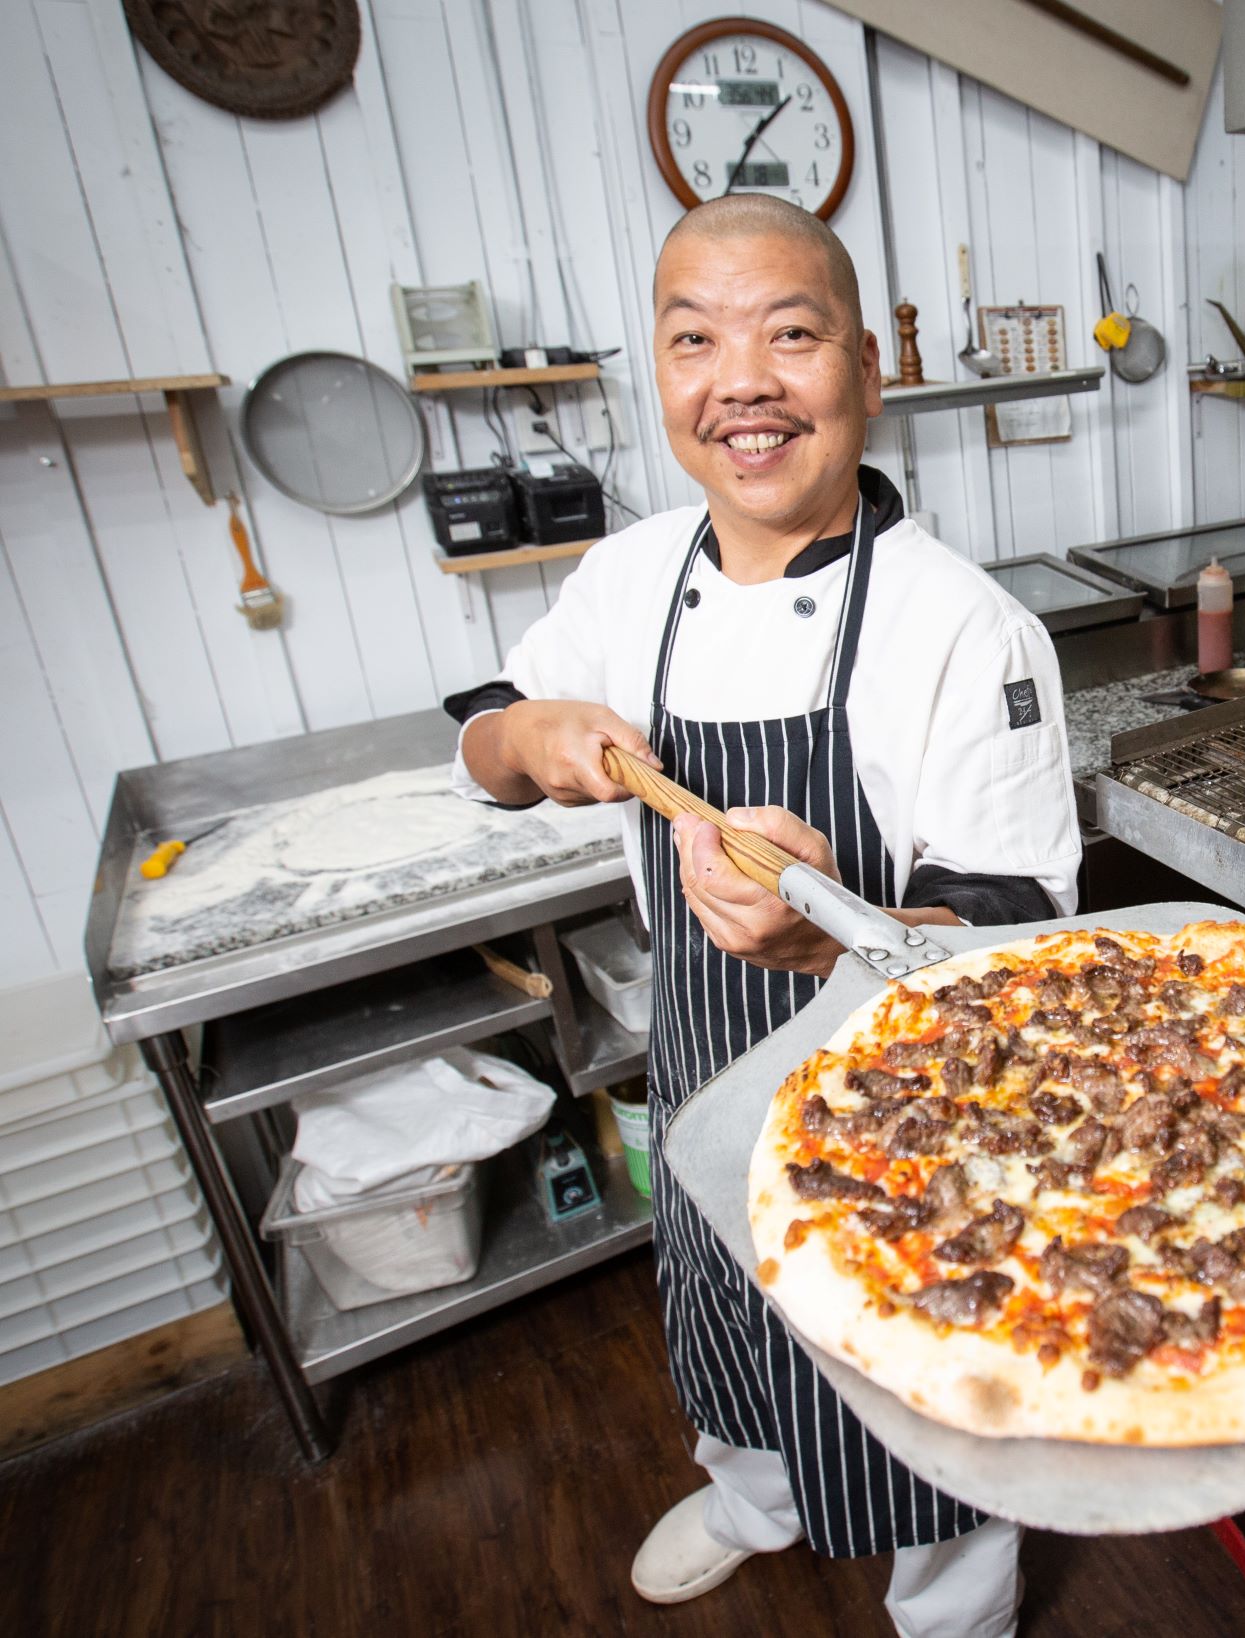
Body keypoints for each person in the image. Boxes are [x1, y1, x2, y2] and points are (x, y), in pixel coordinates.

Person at [444, 194, 1078, 1636]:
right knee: (718, 1295)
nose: (743, 379)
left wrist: (828, 928)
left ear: (864, 366)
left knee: (924, 1355)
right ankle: (750, 1496)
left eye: (791, 335)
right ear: (660, 378)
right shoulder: (626, 576)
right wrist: (528, 736)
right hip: (703, 1049)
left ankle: (955, 1601)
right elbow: (481, 738)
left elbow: (1016, 922)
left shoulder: (964, 625)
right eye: (695, 340)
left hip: (916, 1087)